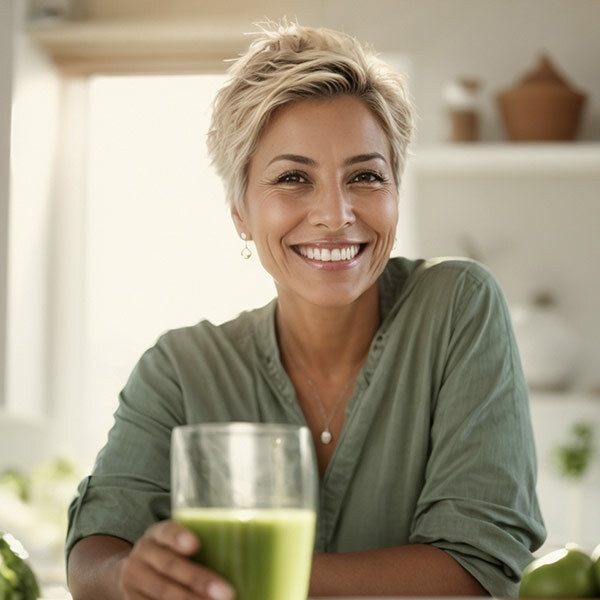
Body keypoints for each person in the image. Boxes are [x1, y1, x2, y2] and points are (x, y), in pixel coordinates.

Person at [66, 20, 546, 600]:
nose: (335, 214)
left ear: (396, 191)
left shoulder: (456, 308)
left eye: (366, 176)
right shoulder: (180, 368)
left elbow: (474, 572)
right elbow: (97, 550)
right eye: (293, 178)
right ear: (240, 210)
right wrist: (128, 576)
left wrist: (243, 574)